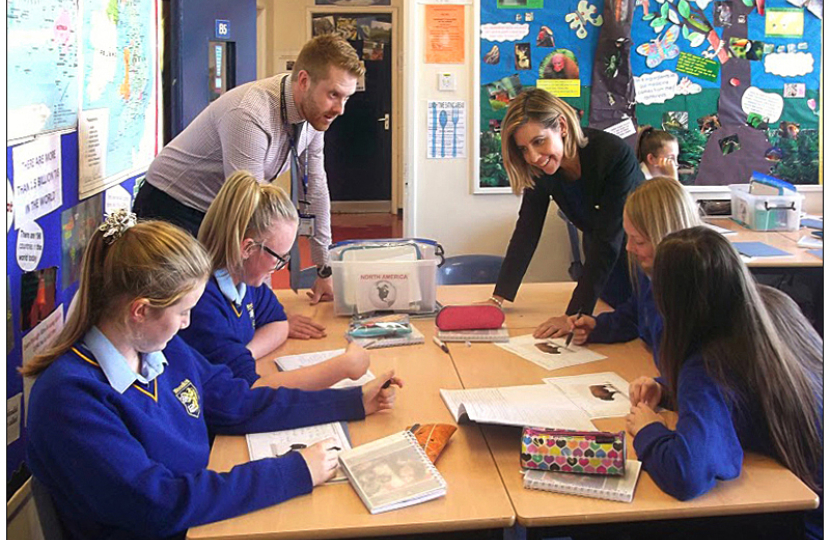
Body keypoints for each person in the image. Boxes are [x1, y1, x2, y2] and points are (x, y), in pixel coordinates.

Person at [22, 212, 401, 540]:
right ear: (140, 310)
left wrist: (353, 400)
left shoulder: (162, 349)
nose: (188, 323)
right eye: (183, 311)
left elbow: (238, 403)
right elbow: (157, 503)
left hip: (199, 519)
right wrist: (292, 471)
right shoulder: (71, 398)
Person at [133, 34, 366, 306]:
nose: (340, 109)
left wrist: (324, 269)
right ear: (304, 81)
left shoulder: (314, 115)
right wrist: (268, 312)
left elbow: (315, 187)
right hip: (173, 207)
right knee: (180, 312)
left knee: (217, 313)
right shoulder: (250, 113)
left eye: (346, 97)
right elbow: (250, 217)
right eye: (333, 94)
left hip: (218, 210)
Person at [626, 227, 822, 539]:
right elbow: (743, 396)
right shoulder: (773, 308)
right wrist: (667, 389)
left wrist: (649, 430)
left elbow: (689, 474)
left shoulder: (708, 362)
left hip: (803, 521)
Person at [180, 171, 370, 389]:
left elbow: (279, 322)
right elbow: (251, 390)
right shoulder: (201, 302)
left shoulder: (244, 278)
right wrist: (343, 367)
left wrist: (244, 354)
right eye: (278, 258)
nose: (278, 268)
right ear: (248, 248)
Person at [490, 88, 643, 336]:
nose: (533, 157)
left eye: (539, 141)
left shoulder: (612, 154)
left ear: (561, 126)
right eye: (524, 149)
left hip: (643, 262)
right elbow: (527, 231)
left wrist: (573, 315)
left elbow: (609, 239)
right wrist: (498, 299)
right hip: (602, 271)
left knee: (640, 332)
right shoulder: (543, 170)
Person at [560, 177, 701, 365]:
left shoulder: (695, 293)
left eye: (639, 241)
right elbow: (635, 315)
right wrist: (597, 326)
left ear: (666, 237)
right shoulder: (650, 271)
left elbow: (698, 368)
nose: (628, 248)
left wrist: (662, 387)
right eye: (628, 237)